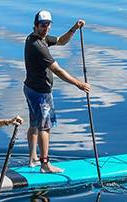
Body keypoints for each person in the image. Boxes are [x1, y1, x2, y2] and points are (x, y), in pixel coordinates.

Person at [23, 10, 92, 173]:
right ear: (35, 26)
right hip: (40, 93)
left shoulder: (38, 38)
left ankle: (32, 158)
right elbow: (57, 70)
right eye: (42, 25)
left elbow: (61, 41)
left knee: (34, 124)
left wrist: (74, 29)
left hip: (30, 88)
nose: (45, 28)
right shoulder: (38, 45)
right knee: (45, 127)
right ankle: (45, 165)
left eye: (48, 25)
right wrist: (78, 84)